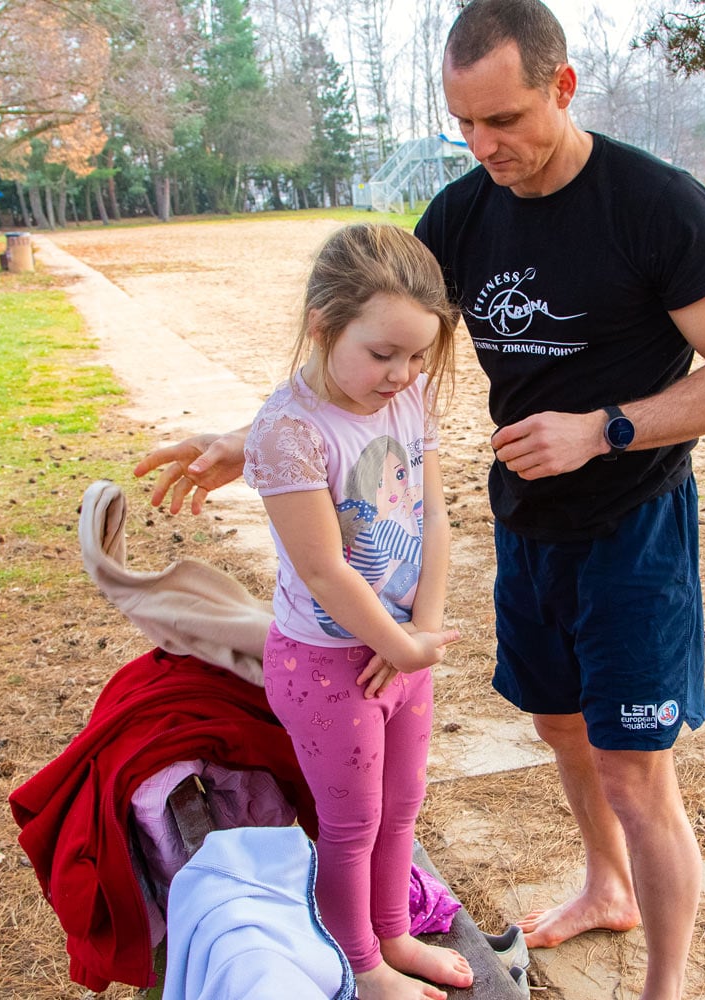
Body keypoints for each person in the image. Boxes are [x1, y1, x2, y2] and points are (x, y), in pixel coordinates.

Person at [134, 2, 705, 997]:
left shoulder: (656, 205)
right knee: (561, 729)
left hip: (633, 527)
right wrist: (245, 441)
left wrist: (603, 425)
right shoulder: (466, 213)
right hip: (528, 529)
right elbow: (361, 335)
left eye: (506, 120)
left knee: (635, 768)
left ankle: (665, 986)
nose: (485, 147)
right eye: (464, 124)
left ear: (563, 88)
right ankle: (609, 885)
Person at [242, 223, 472, 1000]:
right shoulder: (288, 431)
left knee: (405, 805)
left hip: (402, 649)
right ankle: (362, 965)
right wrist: (395, 643)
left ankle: (394, 933)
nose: (402, 374)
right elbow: (322, 567)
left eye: (416, 356)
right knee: (351, 825)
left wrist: (420, 632)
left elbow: (436, 517)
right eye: (383, 354)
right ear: (322, 323)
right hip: (325, 666)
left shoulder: (410, 402)